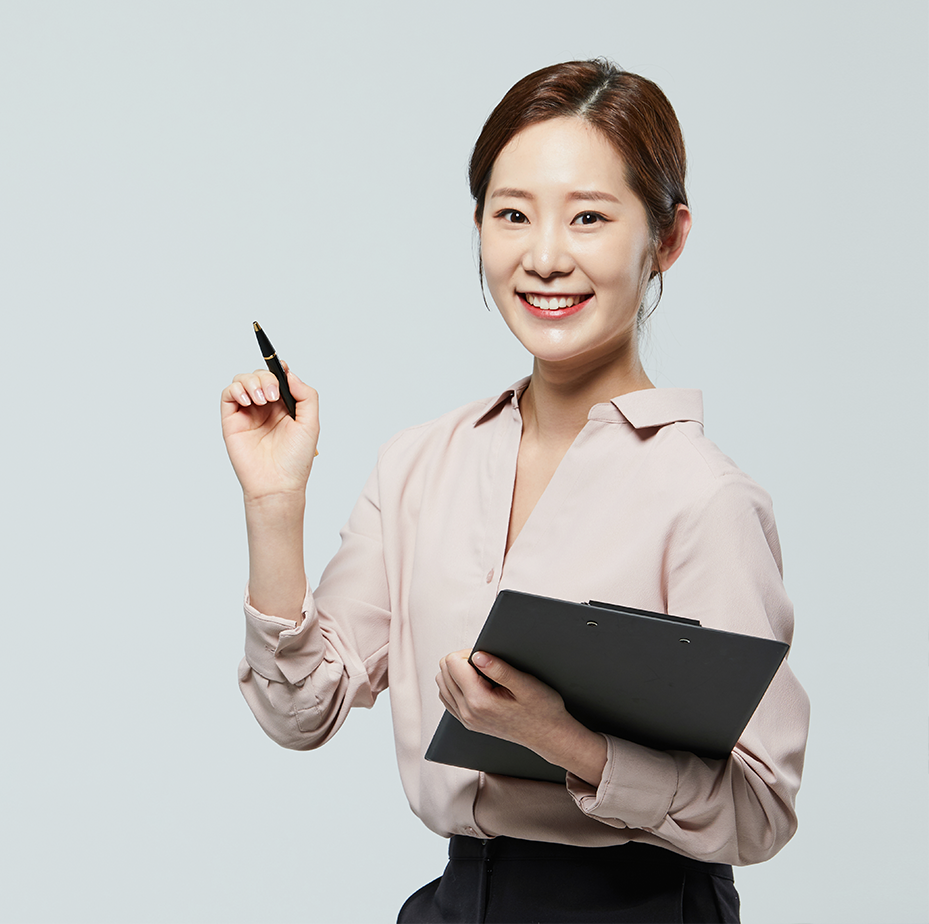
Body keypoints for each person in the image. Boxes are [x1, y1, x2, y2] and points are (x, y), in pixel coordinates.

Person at [219, 60, 808, 924]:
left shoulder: (704, 499)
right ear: (480, 227)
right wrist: (275, 506)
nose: (544, 256)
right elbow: (299, 711)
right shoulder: (421, 463)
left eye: (590, 218)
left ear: (668, 240)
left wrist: (562, 741)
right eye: (513, 215)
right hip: (461, 903)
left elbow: (763, 809)